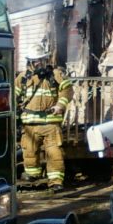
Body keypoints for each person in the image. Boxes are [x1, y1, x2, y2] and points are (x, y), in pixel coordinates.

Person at [14, 44, 73, 193]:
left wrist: (60, 104)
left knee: (55, 154)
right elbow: (13, 96)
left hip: (50, 123)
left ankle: (56, 182)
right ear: (30, 62)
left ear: (46, 59)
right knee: (29, 151)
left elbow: (67, 90)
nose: (39, 63)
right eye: (36, 61)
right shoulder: (22, 78)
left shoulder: (56, 75)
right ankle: (33, 176)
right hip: (29, 125)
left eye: (41, 60)